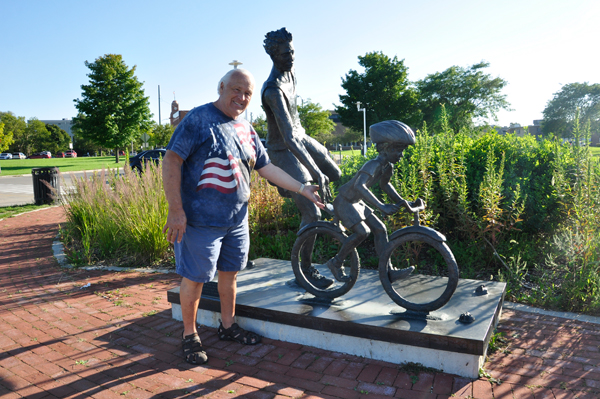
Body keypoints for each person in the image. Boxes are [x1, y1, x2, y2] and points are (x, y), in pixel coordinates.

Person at [162, 68, 324, 365]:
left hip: (236, 222)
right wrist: (176, 210)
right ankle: (189, 335)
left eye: (248, 93)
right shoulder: (198, 120)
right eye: (236, 90)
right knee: (195, 279)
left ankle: (227, 326)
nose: (242, 97)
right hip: (200, 222)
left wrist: (302, 188)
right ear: (221, 87)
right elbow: (171, 160)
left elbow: (266, 168)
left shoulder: (246, 129)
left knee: (230, 276)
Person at [261, 27, 342, 289]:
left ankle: (344, 226)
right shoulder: (272, 89)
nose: (291, 57)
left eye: (292, 52)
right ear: (273, 55)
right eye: (285, 54)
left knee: (336, 174)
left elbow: (297, 130)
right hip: (283, 149)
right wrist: (312, 171)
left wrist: (321, 166)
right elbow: (287, 137)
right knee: (310, 210)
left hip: (301, 136)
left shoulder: (291, 73)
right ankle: (304, 271)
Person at [325, 120, 420, 282]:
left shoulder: (387, 166)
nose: (402, 155)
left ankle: (388, 271)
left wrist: (404, 202)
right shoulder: (373, 164)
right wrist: (381, 206)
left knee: (381, 229)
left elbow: (385, 185)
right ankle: (336, 262)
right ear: (386, 148)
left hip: (357, 203)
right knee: (363, 232)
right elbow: (359, 186)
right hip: (345, 202)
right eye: (399, 150)